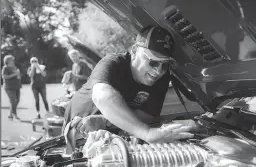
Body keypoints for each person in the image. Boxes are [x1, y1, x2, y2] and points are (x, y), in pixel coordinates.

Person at [63, 25, 194, 143]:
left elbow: (146, 115)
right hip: (78, 128)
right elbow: (102, 97)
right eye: (153, 61)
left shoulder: (162, 77)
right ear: (135, 50)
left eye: (165, 64)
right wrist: (146, 133)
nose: (159, 70)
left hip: (109, 133)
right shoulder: (112, 62)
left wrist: (104, 121)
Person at [2, 55, 21, 120]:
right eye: (12, 60)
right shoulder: (5, 68)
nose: (13, 61)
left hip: (16, 86)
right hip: (9, 87)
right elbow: (4, 77)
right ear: (7, 61)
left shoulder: (14, 67)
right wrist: (15, 74)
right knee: (13, 101)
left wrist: (18, 75)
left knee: (16, 100)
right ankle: (15, 115)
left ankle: (10, 114)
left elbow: (17, 76)